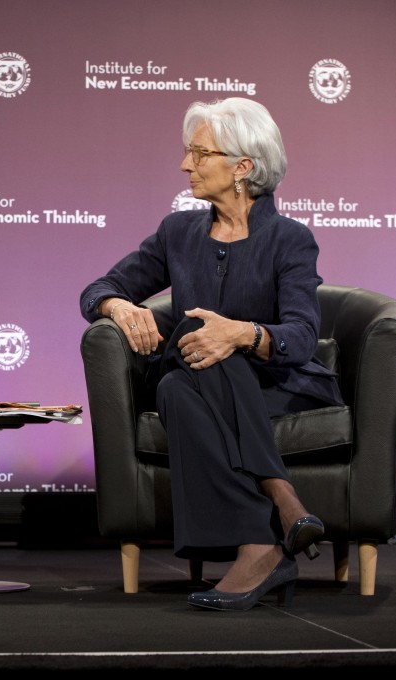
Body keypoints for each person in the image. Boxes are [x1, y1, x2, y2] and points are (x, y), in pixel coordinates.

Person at [79, 98, 343, 611]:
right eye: (188, 152)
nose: (186, 165)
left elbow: (303, 337)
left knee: (184, 373)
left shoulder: (290, 240)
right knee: (192, 356)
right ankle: (277, 508)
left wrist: (242, 334)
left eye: (200, 153)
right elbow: (97, 289)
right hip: (204, 377)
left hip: (279, 389)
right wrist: (119, 307)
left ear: (243, 166)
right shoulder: (177, 233)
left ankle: (261, 544)